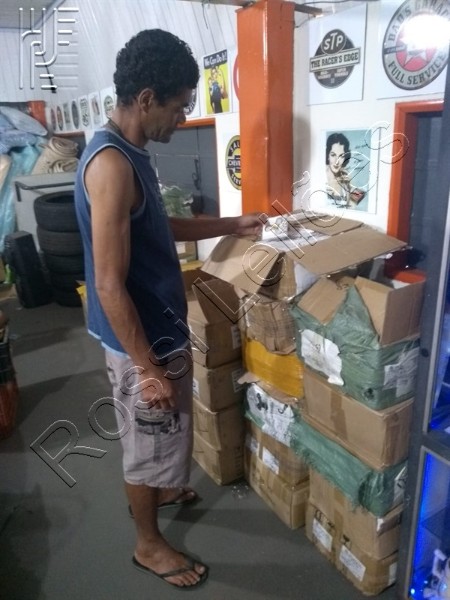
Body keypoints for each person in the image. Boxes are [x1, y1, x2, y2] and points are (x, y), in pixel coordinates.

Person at [74, 29, 262, 590]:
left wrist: (230, 224)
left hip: (159, 328)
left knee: (163, 433)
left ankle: (163, 486)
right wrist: (147, 368)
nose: (182, 119)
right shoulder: (112, 165)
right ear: (146, 98)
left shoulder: (131, 152)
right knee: (146, 439)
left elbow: (158, 226)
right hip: (143, 339)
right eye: (179, 107)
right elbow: (108, 284)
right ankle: (148, 544)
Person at [325, 132, 365, 208]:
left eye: (341, 156)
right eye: (333, 155)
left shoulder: (345, 177)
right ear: (328, 155)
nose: (337, 161)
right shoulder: (319, 174)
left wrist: (349, 187)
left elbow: (358, 197)